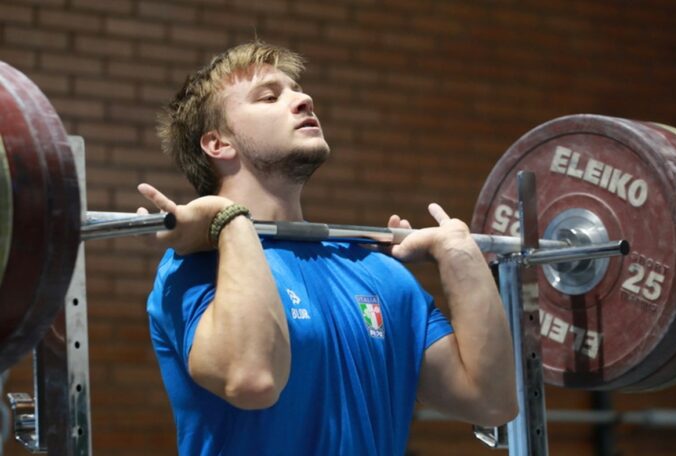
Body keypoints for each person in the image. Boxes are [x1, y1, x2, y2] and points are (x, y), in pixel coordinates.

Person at [137, 41, 517, 456]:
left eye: (297, 89)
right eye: (270, 96)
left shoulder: (380, 273)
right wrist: (231, 220)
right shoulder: (194, 269)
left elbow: (491, 402)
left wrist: (459, 254)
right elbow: (252, 380)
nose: (304, 100)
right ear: (218, 144)